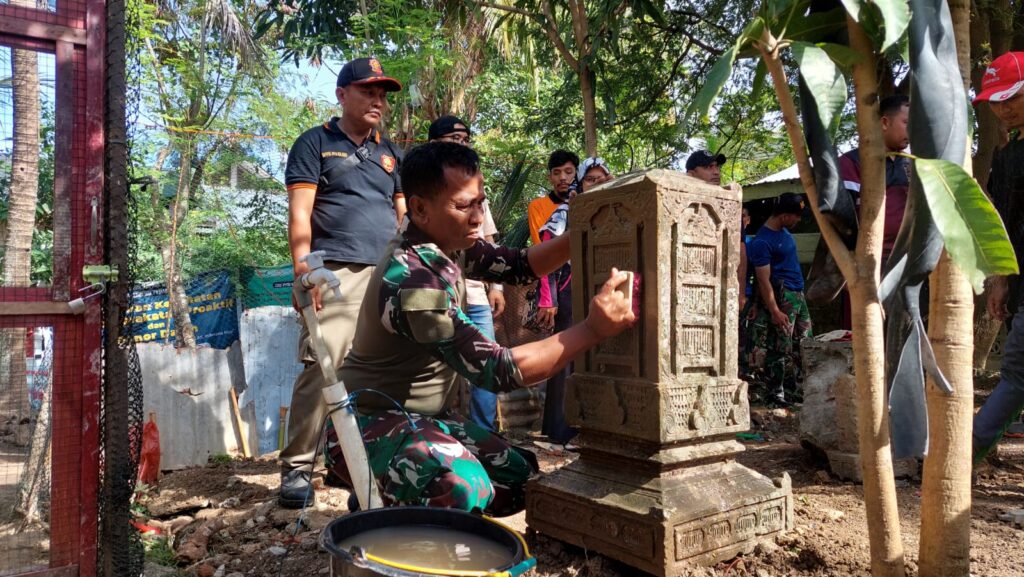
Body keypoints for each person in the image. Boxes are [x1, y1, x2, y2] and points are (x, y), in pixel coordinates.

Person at [324, 142, 635, 516]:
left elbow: (519, 265)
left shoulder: (448, 243)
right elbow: (498, 370)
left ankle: (386, 493)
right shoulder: (413, 280)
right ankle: (383, 506)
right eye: (463, 206)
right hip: (365, 425)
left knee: (515, 479)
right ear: (420, 209)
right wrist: (593, 329)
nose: (477, 217)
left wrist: (585, 236)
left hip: (424, 419)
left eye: (480, 203)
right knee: (462, 488)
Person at [278, 57, 405, 508]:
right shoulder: (315, 143)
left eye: (383, 94)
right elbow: (299, 213)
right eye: (368, 91)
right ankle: (296, 469)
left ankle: (366, 476)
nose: (378, 100)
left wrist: (411, 267)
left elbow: (402, 217)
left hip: (388, 276)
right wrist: (304, 269)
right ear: (341, 94)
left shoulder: (391, 154)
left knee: (383, 373)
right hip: (335, 273)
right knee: (324, 365)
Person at [427, 115, 506, 432]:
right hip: (436, 291)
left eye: (466, 138)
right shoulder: (421, 186)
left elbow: (489, 242)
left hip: (474, 293)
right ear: (434, 144)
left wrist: (496, 286)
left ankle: (485, 436)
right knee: (434, 365)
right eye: (454, 138)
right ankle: (432, 434)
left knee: (487, 363)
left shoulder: (475, 185)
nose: (462, 143)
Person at [536, 156, 614, 447]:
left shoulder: (614, 210)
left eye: (602, 178)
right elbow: (545, 248)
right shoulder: (567, 212)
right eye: (591, 179)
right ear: (580, 185)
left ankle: (592, 426)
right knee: (567, 356)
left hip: (601, 291)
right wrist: (548, 298)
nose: (597, 183)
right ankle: (560, 430)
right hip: (570, 291)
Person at [971, 51, 1024, 463]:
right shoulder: (1006, 158)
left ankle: (964, 451)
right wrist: (1001, 280)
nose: (1003, 109)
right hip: (1020, 282)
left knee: (1017, 375)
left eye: (1012, 97)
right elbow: (1003, 224)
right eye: (996, 100)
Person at [741, 192, 813, 405]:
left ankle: (800, 390)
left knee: (806, 341)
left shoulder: (784, 232)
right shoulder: (762, 242)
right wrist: (774, 310)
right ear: (783, 215)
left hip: (798, 294)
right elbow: (763, 280)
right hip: (783, 297)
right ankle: (776, 393)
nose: (798, 220)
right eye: (796, 216)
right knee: (780, 346)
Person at [840, 94, 911, 266]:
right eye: (907, 123)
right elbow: (842, 219)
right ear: (885, 123)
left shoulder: (913, 164)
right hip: (867, 262)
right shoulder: (852, 163)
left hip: (907, 260)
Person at [528, 150, 579, 248]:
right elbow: (542, 247)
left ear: (577, 175)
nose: (562, 177)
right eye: (556, 173)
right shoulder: (537, 206)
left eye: (568, 172)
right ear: (550, 177)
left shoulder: (587, 202)